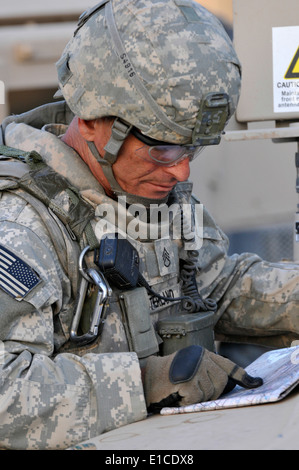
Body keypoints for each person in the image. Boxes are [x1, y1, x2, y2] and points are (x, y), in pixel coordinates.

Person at [0, 0, 297, 450]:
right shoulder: (20, 224)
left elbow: (215, 285)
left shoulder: (146, 189)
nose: (181, 173)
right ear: (96, 122)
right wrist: (144, 382)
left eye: (192, 150)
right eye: (163, 150)